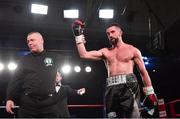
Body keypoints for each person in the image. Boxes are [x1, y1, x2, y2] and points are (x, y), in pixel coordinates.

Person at [72, 20, 158, 118]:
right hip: (111, 87)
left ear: (120, 33)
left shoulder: (132, 50)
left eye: (113, 32)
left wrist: (150, 92)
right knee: (112, 117)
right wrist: (78, 36)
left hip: (129, 86)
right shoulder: (105, 52)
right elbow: (84, 54)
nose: (110, 35)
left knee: (134, 116)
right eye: (108, 33)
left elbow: (143, 72)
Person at [6, 32, 64, 118]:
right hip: (28, 105)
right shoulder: (24, 60)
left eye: (32, 40)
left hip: (49, 104)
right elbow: (15, 80)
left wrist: (79, 39)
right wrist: (10, 98)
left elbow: (79, 56)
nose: (30, 43)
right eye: (28, 41)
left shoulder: (55, 57)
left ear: (41, 40)